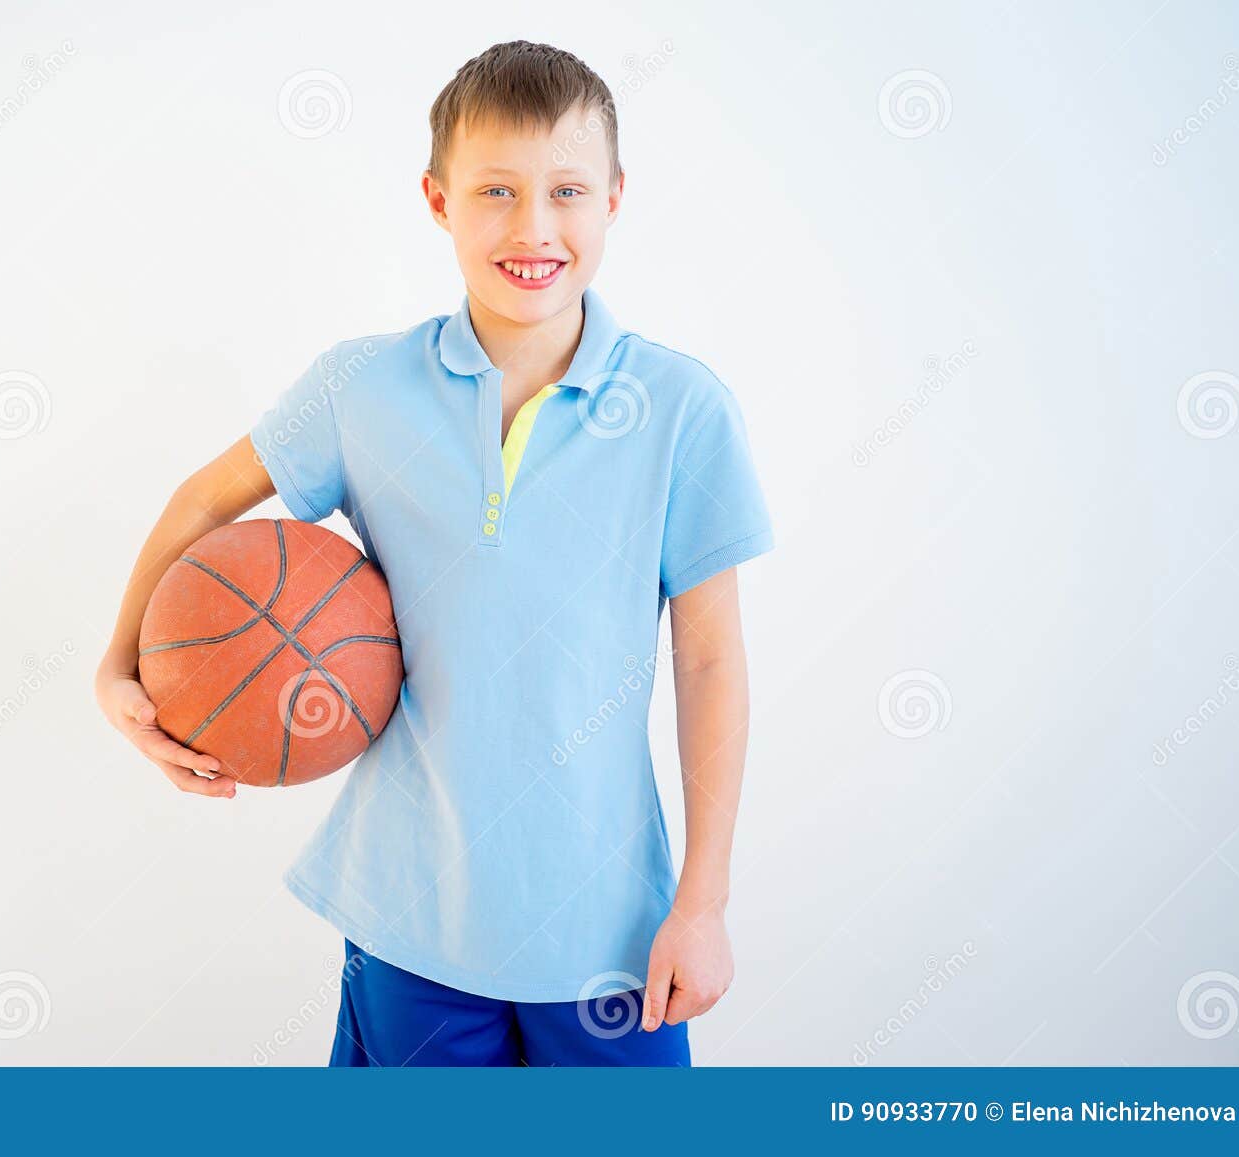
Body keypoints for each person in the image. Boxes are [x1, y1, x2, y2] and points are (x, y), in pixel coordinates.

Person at [94, 40, 775, 1066]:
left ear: (616, 199)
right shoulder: (361, 388)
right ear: (436, 201)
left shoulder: (679, 409)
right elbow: (204, 498)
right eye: (494, 190)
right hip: (410, 912)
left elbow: (711, 660)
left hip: (611, 935)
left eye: (566, 190)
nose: (533, 227)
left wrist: (705, 900)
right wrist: (119, 665)